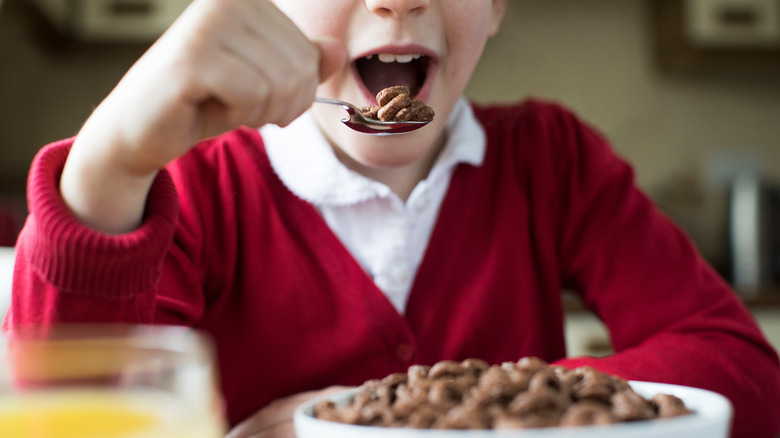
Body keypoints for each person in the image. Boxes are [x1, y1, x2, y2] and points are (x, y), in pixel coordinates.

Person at [5, 0, 780, 437]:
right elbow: (67, 413)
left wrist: (402, 418)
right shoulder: (194, 189)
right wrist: (110, 164)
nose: (397, 0)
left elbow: (745, 373)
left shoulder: (552, 163)